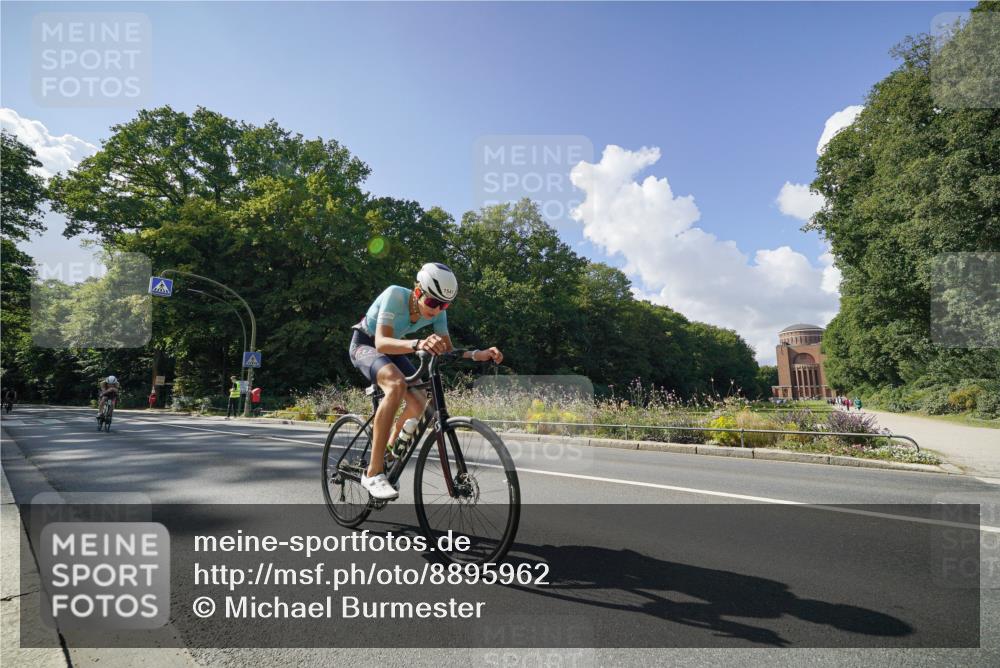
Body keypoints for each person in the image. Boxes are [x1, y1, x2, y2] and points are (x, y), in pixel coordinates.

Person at [348, 262, 503, 500]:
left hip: (396, 349)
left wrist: (477, 354)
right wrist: (419, 343)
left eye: (444, 305)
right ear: (418, 291)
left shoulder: (438, 312)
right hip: (366, 344)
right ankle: (373, 472)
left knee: (421, 402)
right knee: (396, 385)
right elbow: (381, 342)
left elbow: (447, 350)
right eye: (432, 302)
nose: (437, 310)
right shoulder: (394, 295)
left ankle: (389, 452)